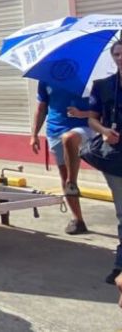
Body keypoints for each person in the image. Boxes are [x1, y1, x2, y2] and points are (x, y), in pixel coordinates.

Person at [30, 81, 90, 234]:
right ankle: (77, 219)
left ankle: (72, 180)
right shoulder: (45, 77)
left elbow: (101, 106)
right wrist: (34, 135)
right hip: (55, 130)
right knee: (65, 177)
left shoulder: (86, 74)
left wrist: (83, 113)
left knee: (69, 139)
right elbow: (41, 107)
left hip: (85, 129)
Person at [87, 41, 122, 284]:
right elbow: (92, 119)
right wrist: (104, 131)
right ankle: (120, 266)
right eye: (117, 54)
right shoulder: (103, 86)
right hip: (115, 157)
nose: (121, 57)